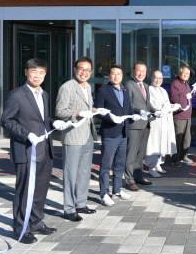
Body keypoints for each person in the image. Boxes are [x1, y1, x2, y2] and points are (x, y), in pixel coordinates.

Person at [1, 58, 57, 244]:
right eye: (34, 71)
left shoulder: (45, 94)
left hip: (44, 150)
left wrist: (54, 123)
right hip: (26, 151)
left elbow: (42, 120)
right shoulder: (17, 95)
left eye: (41, 72)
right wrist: (27, 135)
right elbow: (7, 121)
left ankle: (36, 221)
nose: (38, 75)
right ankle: (20, 228)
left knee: (40, 189)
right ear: (26, 72)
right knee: (24, 191)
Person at [55, 57, 99, 222]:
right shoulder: (67, 87)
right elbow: (60, 111)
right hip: (73, 135)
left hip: (87, 134)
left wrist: (93, 110)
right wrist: (79, 113)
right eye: (81, 69)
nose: (84, 72)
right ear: (74, 69)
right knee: (70, 174)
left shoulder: (87, 86)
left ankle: (81, 203)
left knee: (84, 172)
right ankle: (69, 208)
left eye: (87, 70)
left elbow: (85, 107)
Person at [94, 64, 134, 206]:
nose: (116, 76)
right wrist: (111, 117)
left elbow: (128, 109)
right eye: (113, 74)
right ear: (109, 76)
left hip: (123, 132)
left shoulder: (125, 90)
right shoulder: (103, 91)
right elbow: (99, 111)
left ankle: (117, 190)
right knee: (106, 165)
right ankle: (104, 193)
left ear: (122, 76)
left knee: (119, 163)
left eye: (119, 74)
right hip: (110, 132)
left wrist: (135, 116)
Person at [125, 62, 158, 190]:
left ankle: (138, 176)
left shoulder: (145, 86)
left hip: (145, 124)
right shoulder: (129, 85)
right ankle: (129, 180)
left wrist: (156, 111)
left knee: (140, 154)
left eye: (143, 71)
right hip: (134, 125)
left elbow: (147, 104)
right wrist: (139, 111)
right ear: (134, 71)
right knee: (131, 154)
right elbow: (129, 105)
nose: (141, 73)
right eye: (139, 71)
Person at [145, 70, 177, 177]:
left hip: (165, 121)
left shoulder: (163, 90)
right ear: (151, 78)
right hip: (155, 122)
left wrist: (172, 106)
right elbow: (150, 105)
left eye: (160, 78)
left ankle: (158, 164)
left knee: (162, 143)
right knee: (154, 144)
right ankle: (151, 167)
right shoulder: (148, 90)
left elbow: (166, 104)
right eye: (156, 78)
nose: (158, 80)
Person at [169, 66, 196, 167]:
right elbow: (174, 99)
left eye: (188, 74)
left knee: (186, 138)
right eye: (184, 73)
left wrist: (192, 93)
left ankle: (183, 155)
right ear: (179, 73)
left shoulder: (186, 84)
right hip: (178, 116)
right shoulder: (175, 84)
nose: (186, 75)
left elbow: (188, 98)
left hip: (187, 115)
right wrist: (186, 96)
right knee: (177, 138)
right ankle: (175, 158)